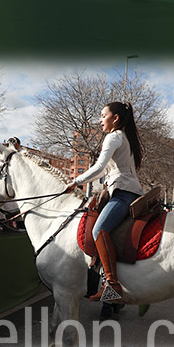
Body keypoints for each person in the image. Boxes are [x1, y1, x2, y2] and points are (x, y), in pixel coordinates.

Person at [66, 102, 143, 306]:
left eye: (103, 116)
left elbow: (100, 167)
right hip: (128, 191)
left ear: (115, 118)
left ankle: (112, 284)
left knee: (98, 229)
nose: (100, 120)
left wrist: (76, 181)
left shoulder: (114, 136)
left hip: (123, 193)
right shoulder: (125, 138)